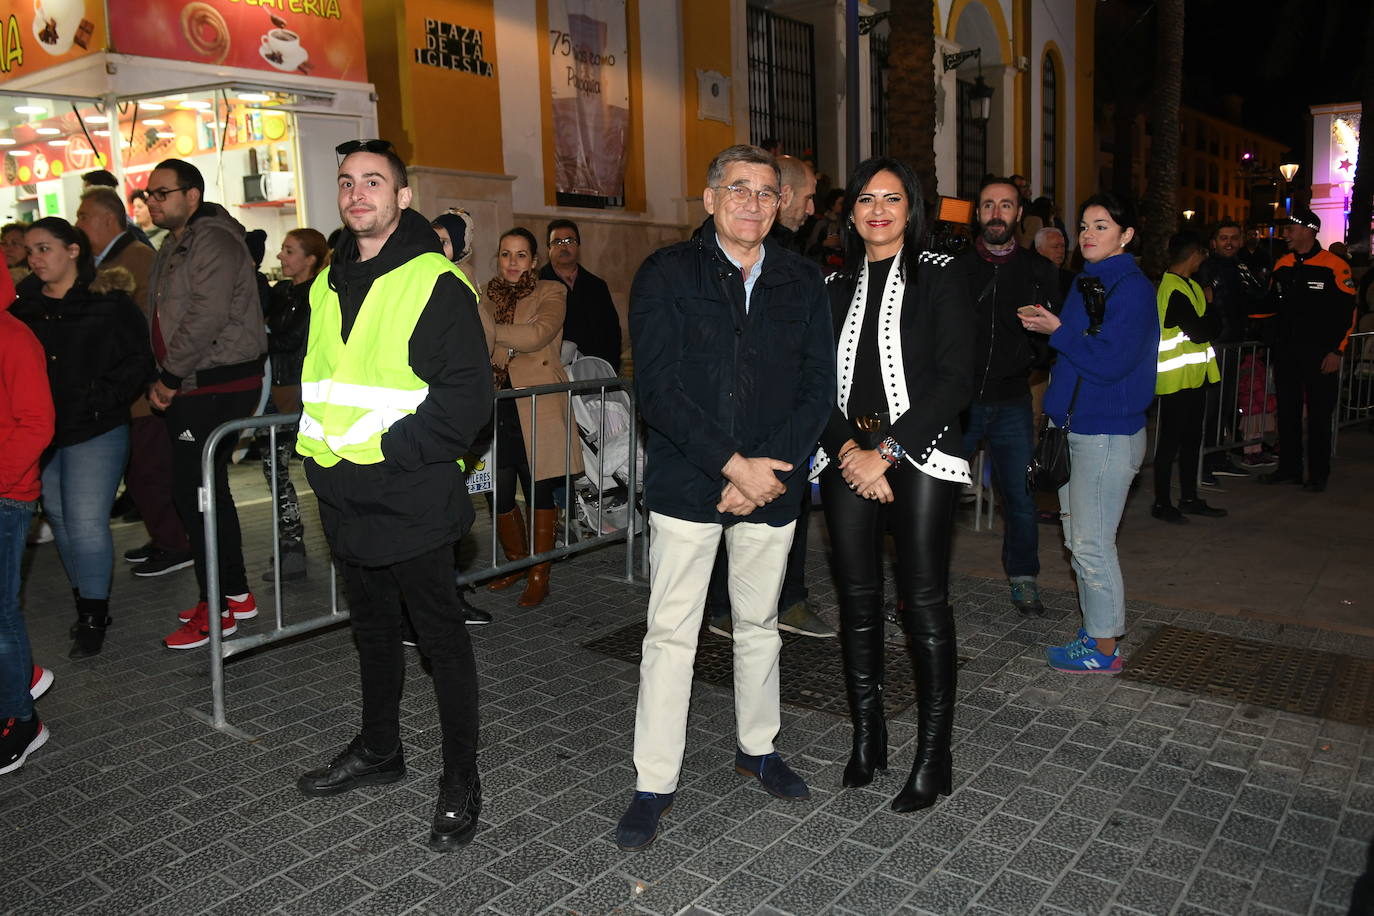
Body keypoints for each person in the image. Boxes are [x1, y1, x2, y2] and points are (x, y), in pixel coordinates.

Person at [616, 144, 833, 851]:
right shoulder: (666, 275)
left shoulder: (804, 281)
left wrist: (764, 473)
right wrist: (732, 466)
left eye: (767, 193)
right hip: (689, 481)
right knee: (671, 635)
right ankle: (654, 782)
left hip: (771, 485)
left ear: (782, 207)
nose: (752, 202)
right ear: (709, 199)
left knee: (760, 623)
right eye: (738, 189)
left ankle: (759, 747)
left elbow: (815, 390)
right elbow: (660, 389)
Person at [295, 138, 492, 853]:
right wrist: (323, 465)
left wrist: (391, 454)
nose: (357, 194)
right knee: (372, 631)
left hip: (408, 492)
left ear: (403, 198)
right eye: (346, 181)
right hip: (343, 494)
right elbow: (323, 384)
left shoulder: (433, 280)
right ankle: (381, 749)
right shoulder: (325, 282)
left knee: (440, 640)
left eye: (373, 182)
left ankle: (461, 779)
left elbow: (469, 400)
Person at [816, 156, 974, 811]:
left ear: (912, 209)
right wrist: (851, 451)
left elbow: (955, 377)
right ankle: (868, 737)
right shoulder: (829, 284)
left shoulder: (942, 275)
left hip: (922, 452)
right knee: (856, 602)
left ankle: (933, 757)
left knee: (923, 602)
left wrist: (887, 453)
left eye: (892, 198)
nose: (877, 209)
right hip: (846, 454)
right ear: (850, 211)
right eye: (865, 199)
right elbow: (812, 385)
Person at [1020, 192, 1159, 673]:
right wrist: (1052, 330)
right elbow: (1078, 354)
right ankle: (1096, 634)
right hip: (1076, 429)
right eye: (1084, 225)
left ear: (1126, 235)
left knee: (1092, 543)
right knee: (1080, 538)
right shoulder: (1089, 281)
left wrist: (1057, 330)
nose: (1087, 235)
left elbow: (1111, 363)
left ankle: (1104, 649)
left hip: (1106, 435)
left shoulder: (1132, 288)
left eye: (1102, 226)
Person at [704, 151, 832, 640]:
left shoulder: (800, 272)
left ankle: (781, 601)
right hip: (725, 453)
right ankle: (732, 605)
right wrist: (738, 466)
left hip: (779, 453)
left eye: (765, 195)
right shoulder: (713, 265)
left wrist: (773, 462)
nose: (812, 208)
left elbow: (814, 379)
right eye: (807, 196)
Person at [12, 218, 151, 658]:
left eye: (44, 248)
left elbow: (138, 359)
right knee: (62, 520)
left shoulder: (107, 301)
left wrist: (100, 398)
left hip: (97, 427)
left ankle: (94, 614)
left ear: (73, 250)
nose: (35, 258)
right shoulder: (23, 306)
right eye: (30, 250)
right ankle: (83, 599)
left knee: (88, 521)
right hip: (44, 431)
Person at [144, 158, 267, 649]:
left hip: (210, 382)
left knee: (194, 495)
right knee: (206, 491)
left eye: (161, 192)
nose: (152, 201)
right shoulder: (177, 243)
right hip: (196, 380)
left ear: (191, 195)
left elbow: (206, 313)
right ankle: (234, 593)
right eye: (148, 194)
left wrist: (171, 376)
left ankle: (217, 609)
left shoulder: (210, 239)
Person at [957, 177, 1062, 617]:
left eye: (1005, 205)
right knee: (935, 494)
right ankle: (919, 582)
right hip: (959, 404)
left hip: (1013, 402)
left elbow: (1054, 335)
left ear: (1019, 214)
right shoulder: (956, 268)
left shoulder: (1040, 271)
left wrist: (1026, 359)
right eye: (987, 205)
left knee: (1019, 497)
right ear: (977, 214)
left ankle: (1023, 579)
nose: (996, 213)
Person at [481, 227, 582, 607]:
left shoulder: (551, 291)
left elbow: (537, 335)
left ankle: (540, 570)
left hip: (538, 402)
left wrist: (491, 333)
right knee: (498, 489)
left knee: (538, 486)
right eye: (506, 254)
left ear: (534, 261)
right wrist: (503, 336)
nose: (512, 262)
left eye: (521, 255)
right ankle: (516, 562)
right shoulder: (485, 296)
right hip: (498, 403)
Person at [1258, 208, 1357, 493]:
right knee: (1287, 414)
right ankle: (1289, 469)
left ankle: (1318, 474)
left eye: (1290, 228)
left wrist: (1337, 352)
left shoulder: (1335, 265)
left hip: (1321, 355)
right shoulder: (1283, 264)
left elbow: (1348, 313)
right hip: (1287, 353)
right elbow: (1269, 306)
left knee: (1318, 416)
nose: (1285, 234)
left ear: (1308, 230)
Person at [0, 258, 54, 773]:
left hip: (7, 494)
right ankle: (18, 680)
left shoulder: (13, 338)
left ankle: (21, 718)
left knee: (0, 612)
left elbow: (36, 422)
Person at [429, 212, 494, 628]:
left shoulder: (464, 286)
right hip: (429, 419)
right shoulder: (424, 283)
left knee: (448, 515)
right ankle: (435, 604)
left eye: (445, 242)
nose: (437, 248)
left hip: (452, 417)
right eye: (431, 239)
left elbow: (480, 345)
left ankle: (445, 597)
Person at [260, 228, 327, 582]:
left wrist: (265, 333)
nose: (282, 257)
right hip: (274, 389)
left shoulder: (318, 293)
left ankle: (301, 546)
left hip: (300, 394)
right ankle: (291, 545)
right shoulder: (280, 291)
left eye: (289, 250)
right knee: (275, 471)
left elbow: (291, 339)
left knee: (309, 470)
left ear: (310, 259)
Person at [1151, 231, 1226, 523]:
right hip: (1176, 381)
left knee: (1193, 439)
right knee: (1169, 443)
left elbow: (1206, 325)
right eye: (1202, 254)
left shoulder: (1190, 285)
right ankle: (1161, 502)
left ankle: (1189, 497)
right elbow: (1203, 330)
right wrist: (1211, 313)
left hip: (1194, 378)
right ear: (1194, 254)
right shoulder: (1172, 288)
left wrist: (1209, 316)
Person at [1196, 220, 1270, 474]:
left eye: (1234, 237)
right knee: (1212, 405)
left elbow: (1258, 297)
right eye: (1224, 237)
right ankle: (1206, 461)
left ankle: (1217, 456)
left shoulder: (1241, 266)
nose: (1229, 242)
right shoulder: (1208, 268)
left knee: (1226, 404)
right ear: (1214, 242)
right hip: (1217, 346)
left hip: (1234, 345)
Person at [538, 218, 623, 372]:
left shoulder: (597, 286)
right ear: (548, 249)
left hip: (595, 374)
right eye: (557, 242)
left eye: (569, 240)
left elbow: (612, 332)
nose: (564, 246)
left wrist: (609, 369)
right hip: (552, 373)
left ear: (578, 245)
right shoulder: (537, 284)